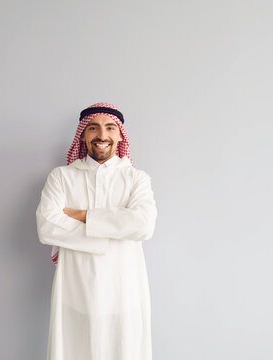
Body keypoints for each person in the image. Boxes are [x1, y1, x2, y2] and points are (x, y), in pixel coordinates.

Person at [35, 102, 157, 360]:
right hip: (75, 291)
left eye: (110, 128)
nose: (102, 135)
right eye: (93, 128)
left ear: (120, 135)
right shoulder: (62, 177)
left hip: (125, 292)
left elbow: (143, 224)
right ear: (83, 134)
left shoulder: (137, 179)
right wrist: (115, 228)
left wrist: (82, 216)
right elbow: (47, 227)